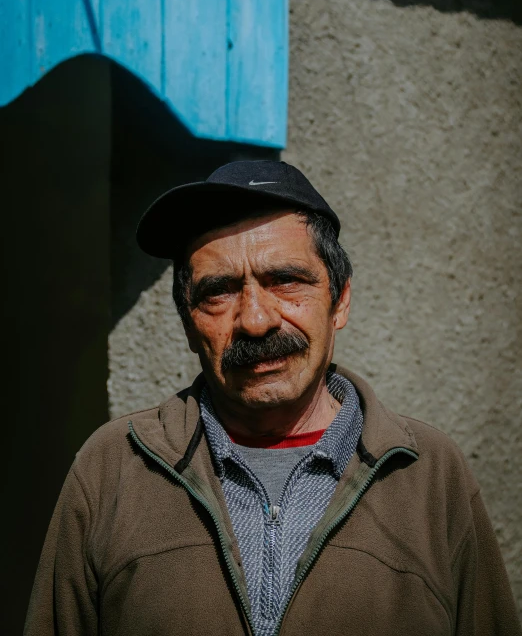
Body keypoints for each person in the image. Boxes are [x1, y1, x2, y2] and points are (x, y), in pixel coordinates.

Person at [25, 160, 520, 636]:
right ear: (189, 325)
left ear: (340, 300)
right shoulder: (111, 469)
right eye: (219, 292)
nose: (256, 320)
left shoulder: (430, 475)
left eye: (285, 281)